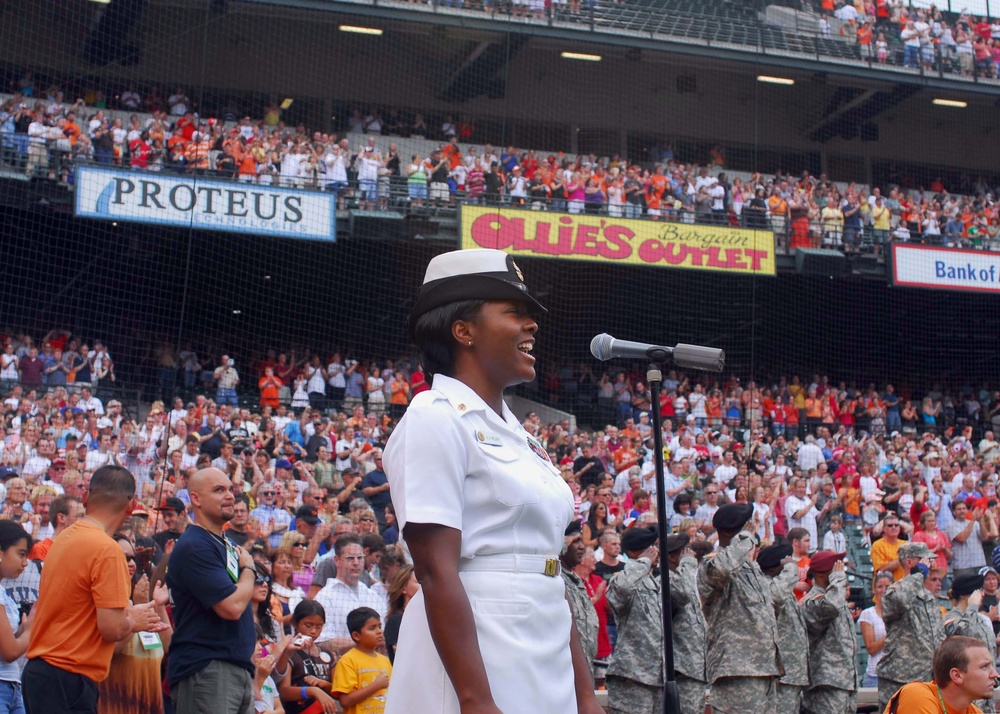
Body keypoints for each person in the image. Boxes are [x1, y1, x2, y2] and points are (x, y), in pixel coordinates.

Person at [382, 249, 602, 714]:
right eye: (514, 313)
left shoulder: (518, 434)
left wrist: (584, 696)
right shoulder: (434, 418)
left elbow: (549, 571)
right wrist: (476, 700)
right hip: (479, 650)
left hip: (543, 646)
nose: (532, 325)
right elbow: (436, 570)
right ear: (463, 330)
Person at [23, 465, 166, 714]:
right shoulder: (107, 550)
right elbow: (111, 628)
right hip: (68, 677)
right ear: (132, 506)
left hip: (42, 673)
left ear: (86, 497)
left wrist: (130, 614)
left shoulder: (65, 538)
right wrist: (135, 620)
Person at [166, 467, 258, 714]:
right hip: (207, 667)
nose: (230, 496)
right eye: (219, 490)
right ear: (195, 498)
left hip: (236, 667)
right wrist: (249, 568)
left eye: (230, 489)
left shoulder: (225, 542)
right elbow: (232, 607)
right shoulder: (195, 545)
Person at [698, 503, 780, 714]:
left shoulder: (751, 569)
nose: (752, 531)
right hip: (736, 669)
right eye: (746, 527)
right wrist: (745, 538)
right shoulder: (711, 564)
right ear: (728, 532)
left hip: (764, 668)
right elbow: (722, 569)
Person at [877, 541, 946, 711]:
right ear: (909, 562)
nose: (930, 564)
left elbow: (938, 637)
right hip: (901, 677)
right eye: (925, 560)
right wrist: (917, 575)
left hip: (927, 677)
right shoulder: (895, 590)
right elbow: (898, 601)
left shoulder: (928, 597)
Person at [605, 526, 665, 714]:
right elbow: (621, 589)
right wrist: (643, 562)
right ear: (633, 552)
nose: (655, 552)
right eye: (649, 548)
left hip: (656, 675)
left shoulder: (654, 581)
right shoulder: (621, 578)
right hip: (632, 675)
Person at [800, 550, 858, 714]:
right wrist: (838, 579)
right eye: (835, 568)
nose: (840, 571)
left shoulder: (836, 597)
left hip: (845, 681)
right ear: (820, 574)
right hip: (826, 684)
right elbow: (831, 607)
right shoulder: (813, 600)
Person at [882, 636, 997, 714]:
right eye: (984, 667)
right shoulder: (917, 695)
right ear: (956, 675)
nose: (995, 674)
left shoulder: (973, 711)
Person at [757, 543, 809, 714]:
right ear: (774, 569)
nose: (790, 562)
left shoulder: (782, 586)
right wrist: (791, 569)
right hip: (782, 674)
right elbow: (776, 598)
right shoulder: (767, 586)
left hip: (792, 672)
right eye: (785, 561)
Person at [312, 534, 386, 652]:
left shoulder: (372, 595)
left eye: (360, 558)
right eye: (350, 558)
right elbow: (321, 642)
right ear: (337, 560)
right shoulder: (325, 597)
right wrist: (364, 640)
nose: (356, 563)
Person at [664, 533, 707, 714]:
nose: (691, 555)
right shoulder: (668, 581)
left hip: (694, 667)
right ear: (673, 557)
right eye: (685, 551)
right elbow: (682, 592)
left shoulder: (682, 578)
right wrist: (688, 563)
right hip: (682, 669)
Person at [943, 573, 997, 713]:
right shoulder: (952, 618)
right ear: (965, 595)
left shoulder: (979, 619)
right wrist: (972, 607)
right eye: (979, 591)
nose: (982, 595)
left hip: (984, 693)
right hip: (966, 693)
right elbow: (962, 635)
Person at [277, 600, 338, 714]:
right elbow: (283, 692)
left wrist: (323, 684)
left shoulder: (328, 655)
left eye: (319, 626)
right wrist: (312, 691)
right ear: (295, 623)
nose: (314, 631)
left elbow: (338, 692)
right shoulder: (290, 651)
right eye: (308, 625)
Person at [331, 607, 391, 714]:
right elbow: (345, 701)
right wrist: (375, 686)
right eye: (372, 628)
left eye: (380, 626)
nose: (379, 631)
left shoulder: (385, 661)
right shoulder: (348, 660)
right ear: (356, 636)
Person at [0, 521, 33, 714]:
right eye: (21, 554)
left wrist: (24, 629)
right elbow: (10, 651)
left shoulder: (5, 594)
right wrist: (31, 629)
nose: (25, 562)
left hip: (12, 687)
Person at [562, 521, 598, 666]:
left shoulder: (575, 580)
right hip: (565, 666)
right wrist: (559, 544)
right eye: (575, 542)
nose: (582, 547)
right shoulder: (554, 577)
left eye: (582, 541)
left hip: (585, 663)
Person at [860, 573, 894, 688]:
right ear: (874, 590)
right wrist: (892, 633)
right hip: (876, 676)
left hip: (896, 675)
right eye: (880, 587)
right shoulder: (867, 614)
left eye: (888, 587)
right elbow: (871, 648)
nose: (884, 590)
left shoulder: (900, 614)